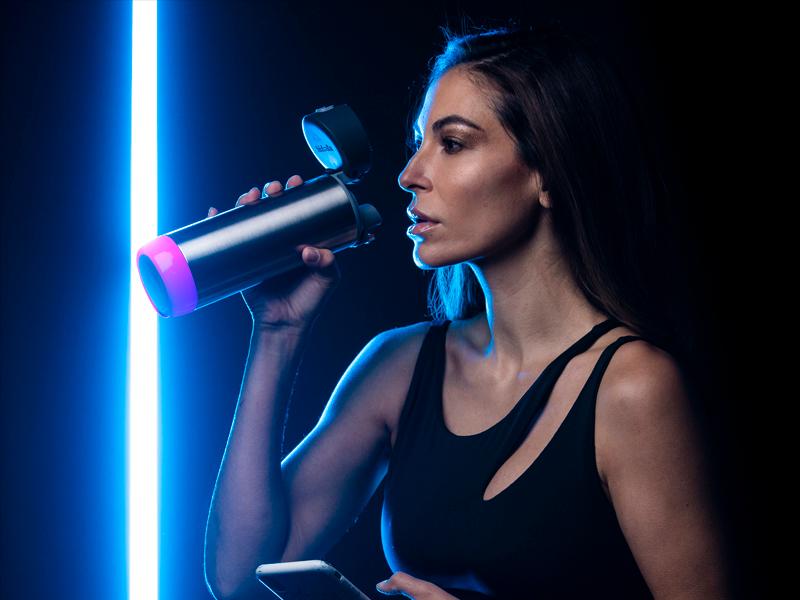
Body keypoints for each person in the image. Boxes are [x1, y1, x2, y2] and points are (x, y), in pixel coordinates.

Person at [204, 21, 731, 600]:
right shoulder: (399, 367)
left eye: (452, 144)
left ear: (546, 173)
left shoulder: (632, 387)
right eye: (420, 142)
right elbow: (239, 579)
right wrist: (277, 333)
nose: (410, 176)